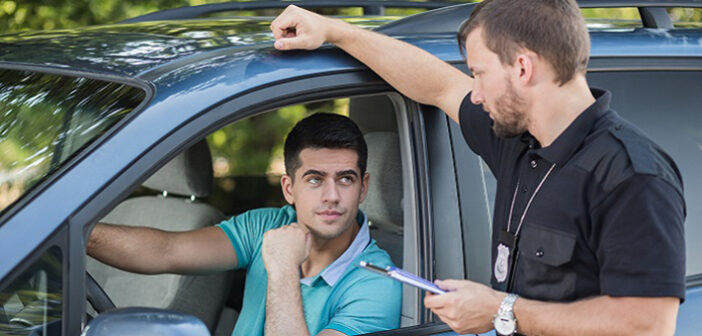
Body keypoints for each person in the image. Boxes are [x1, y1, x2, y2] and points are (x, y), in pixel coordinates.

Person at [269, 0, 686, 335]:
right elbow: (438, 85)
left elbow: (648, 324)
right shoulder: (517, 140)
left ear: (523, 68)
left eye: (479, 74)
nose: (477, 94)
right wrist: (334, 30)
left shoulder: (632, 176)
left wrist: (503, 310)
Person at [87, 113, 402, 336]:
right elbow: (166, 250)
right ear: (289, 189)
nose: (332, 196)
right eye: (315, 179)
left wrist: (281, 269)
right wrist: (75, 236)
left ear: (363, 187)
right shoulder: (268, 224)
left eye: (345, 179)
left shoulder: (375, 282)